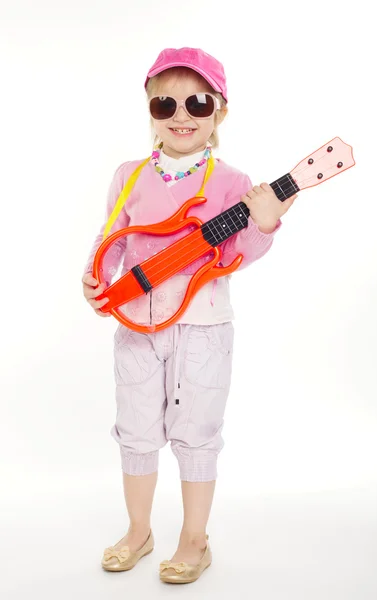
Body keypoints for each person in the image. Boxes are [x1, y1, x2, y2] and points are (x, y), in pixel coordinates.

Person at [82, 47, 297, 584]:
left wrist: (264, 223)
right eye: (165, 105)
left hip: (201, 327)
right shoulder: (130, 175)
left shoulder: (231, 182)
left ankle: (194, 539)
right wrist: (95, 275)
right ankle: (138, 531)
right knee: (135, 428)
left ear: (219, 111)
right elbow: (113, 237)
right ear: (150, 110)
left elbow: (240, 253)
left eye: (197, 103)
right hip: (135, 323)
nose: (181, 115)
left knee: (197, 432)